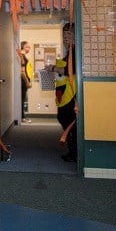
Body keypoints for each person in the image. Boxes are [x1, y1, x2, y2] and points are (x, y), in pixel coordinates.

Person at [50, 22, 78, 162]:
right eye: (64, 34)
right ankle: (73, 151)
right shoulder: (70, 51)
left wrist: (54, 68)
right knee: (65, 119)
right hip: (66, 92)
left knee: (68, 121)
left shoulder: (75, 51)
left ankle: (74, 153)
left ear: (75, 35)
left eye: (69, 34)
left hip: (72, 93)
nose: (66, 37)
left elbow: (69, 70)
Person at [17, 41, 33, 123]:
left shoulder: (23, 56)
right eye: (28, 47)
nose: (29, 48)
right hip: (23, 81)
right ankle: (22, 118)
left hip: (24, 81)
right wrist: (27, 82)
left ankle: (22, 117)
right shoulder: (22, 57)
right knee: (22, 99)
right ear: (23, 47)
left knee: (22, 98)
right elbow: (22, 71)